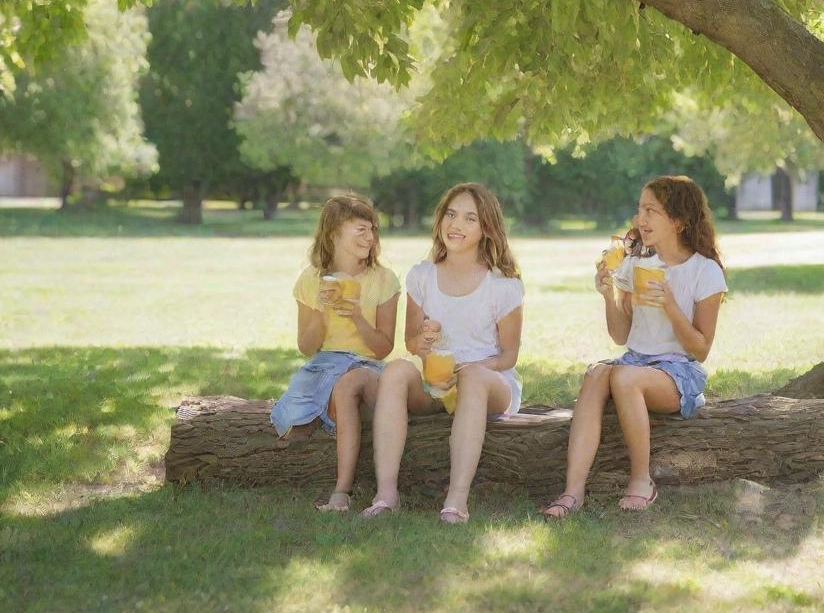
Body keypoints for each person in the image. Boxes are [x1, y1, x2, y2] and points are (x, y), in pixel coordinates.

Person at [542, 175, 727, 517]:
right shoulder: (635, 264)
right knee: (597, 374)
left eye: (651, 211)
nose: (640, 220)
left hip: (677, 371)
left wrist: (670, 306)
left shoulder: (705, 272)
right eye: (640, 209)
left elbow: (701, 349)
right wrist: (608, 295)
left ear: (679, 220)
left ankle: (642, 480)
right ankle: (572, 491)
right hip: (635, 359)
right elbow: (620, 335)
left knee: (624, 377)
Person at [362, 182, 525, 524]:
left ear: (486, 229)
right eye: (451, 214)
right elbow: (410, 341)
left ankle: (456, 501)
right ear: (440, 220)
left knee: (473, 378)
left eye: (470, 218)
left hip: (488, 382)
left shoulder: (503, 285)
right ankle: (386, 494)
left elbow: (508, 356)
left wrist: (471, 368)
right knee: (393, 372)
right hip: (435, 381)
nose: (457, 225)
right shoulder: (422, 276)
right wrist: (419, 343)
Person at [270, 194, 400, 513]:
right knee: (289, 423)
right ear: (334, 234)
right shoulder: (311, 280)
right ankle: (323, 416)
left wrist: (356, 315)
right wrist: (324, 313)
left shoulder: (384, 280)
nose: (370, 237)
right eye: (360, 229)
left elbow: (384, 347)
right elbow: (306, 346)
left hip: (367, 366)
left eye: (372, 230)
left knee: (343, 390)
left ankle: (341, 492)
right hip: (324, 362)